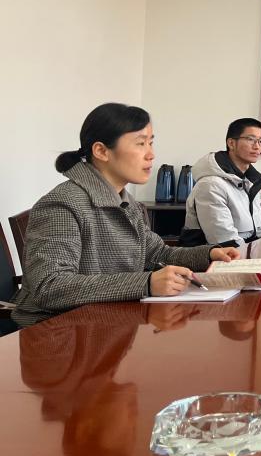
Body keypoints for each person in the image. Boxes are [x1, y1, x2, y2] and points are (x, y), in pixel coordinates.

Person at [13, 103, 239, 326]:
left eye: (151, 143)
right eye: (140, 143)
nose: (151, 154)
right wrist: (146, 283)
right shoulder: (62, 204)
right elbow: (50, 287)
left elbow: (158, 253)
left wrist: (209, 255)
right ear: (101, 151)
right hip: (59, 333)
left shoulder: (125, 201)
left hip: (109, 323)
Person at [181, 118, 261, 248]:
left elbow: (260, 228)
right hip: (216, 256)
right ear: (231, 143)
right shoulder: (211, 185)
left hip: (245, 252)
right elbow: (224, 241)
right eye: (250, 139)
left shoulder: (249, 181)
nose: (257, 146)